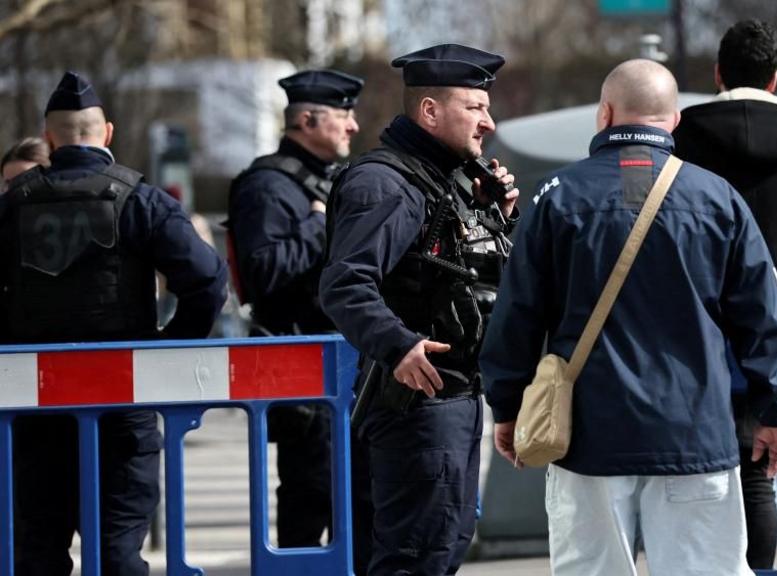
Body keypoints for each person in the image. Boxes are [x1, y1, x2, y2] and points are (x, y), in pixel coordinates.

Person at [480, 58, 777, 576]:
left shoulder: (556, 197)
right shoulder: (718, 198)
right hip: (696, 433)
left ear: (604, 114)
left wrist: (509, 404)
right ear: (673, 120)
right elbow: (762, 317)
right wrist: (774, 410)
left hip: (588, 435)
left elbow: (517, 312)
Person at [1, 71, 227, 576]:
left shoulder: (13, 204)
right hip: (122, 403)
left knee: (37, 552)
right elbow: (208, 279)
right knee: (117, 552)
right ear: (107, 133)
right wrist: (168, 350)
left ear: (50, 135)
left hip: (33, 407)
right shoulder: (137, 198)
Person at [318, 44, 518, 575]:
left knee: (440, 547)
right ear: (430, 111)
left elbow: (467, 280)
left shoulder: (445, 182)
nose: (488, 122)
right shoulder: (385, 183)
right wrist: (398, 343)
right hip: (417, 408)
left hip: (450, 402)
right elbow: (345, 283)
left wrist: (497, 217)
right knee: (417, 556)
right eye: (474, 107)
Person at [673, 19, 777, 567]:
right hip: (776, 334)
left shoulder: (681, 140)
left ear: (718, 74)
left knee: (689, 486)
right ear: (775, 79)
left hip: (691, 335)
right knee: (762, 474)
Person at [226, 68, 362, 548]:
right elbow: (263, 271)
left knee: (355, 502)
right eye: (343, 115)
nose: (353, 126)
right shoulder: (268, 187)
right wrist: (318, 226)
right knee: (311, 499)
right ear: (307, 119)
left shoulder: (330, 180)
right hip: (303, 373)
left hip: (343, 369)